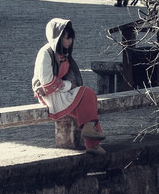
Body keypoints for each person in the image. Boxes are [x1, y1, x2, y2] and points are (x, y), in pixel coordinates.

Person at [32, 18, 106, 155]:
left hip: (62, 90)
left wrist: (69, 85)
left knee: (88, 94)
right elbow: (47, 82)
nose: (70, 41)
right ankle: (92, 143)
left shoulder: (64, 53)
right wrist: (68, 85)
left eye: (71, 38)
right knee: (83, 98)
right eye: (67, 38)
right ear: (58, 37)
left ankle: (90, 133)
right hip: (49, 94)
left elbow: (72, 77)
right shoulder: (45, 53)